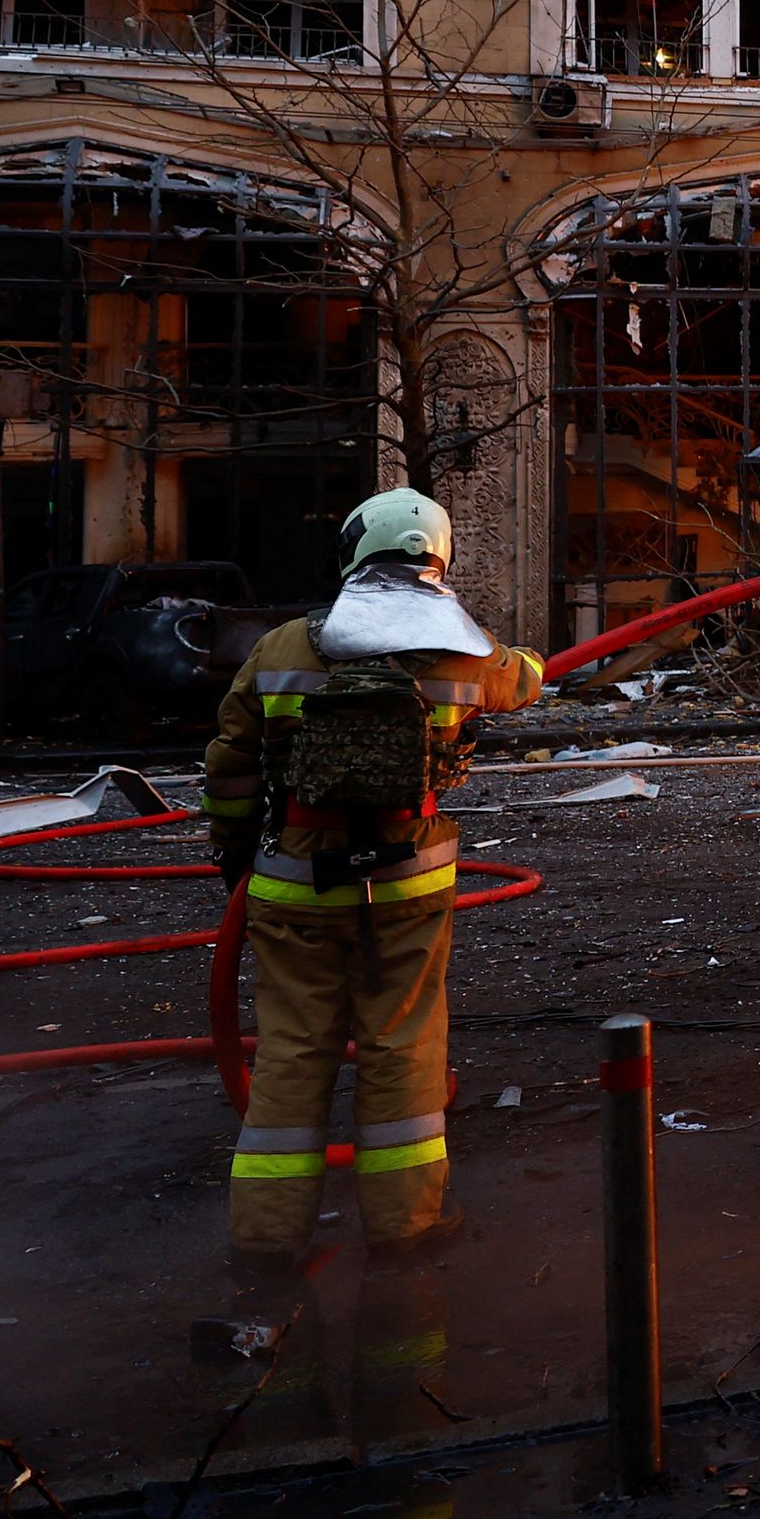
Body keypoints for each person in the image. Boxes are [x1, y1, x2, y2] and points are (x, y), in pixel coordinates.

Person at [204, 488, 547, 1265]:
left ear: (356, 551)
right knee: (403, 1045)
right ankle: (405, 1226)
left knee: (293, 1050)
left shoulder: (286, 645)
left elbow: (228, 766)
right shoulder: (465, 652)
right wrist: (523, 659)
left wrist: (233, 853)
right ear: (441, 555)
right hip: (408, 884)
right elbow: (523, 680)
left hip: (293, 883)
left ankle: (265, 1238)